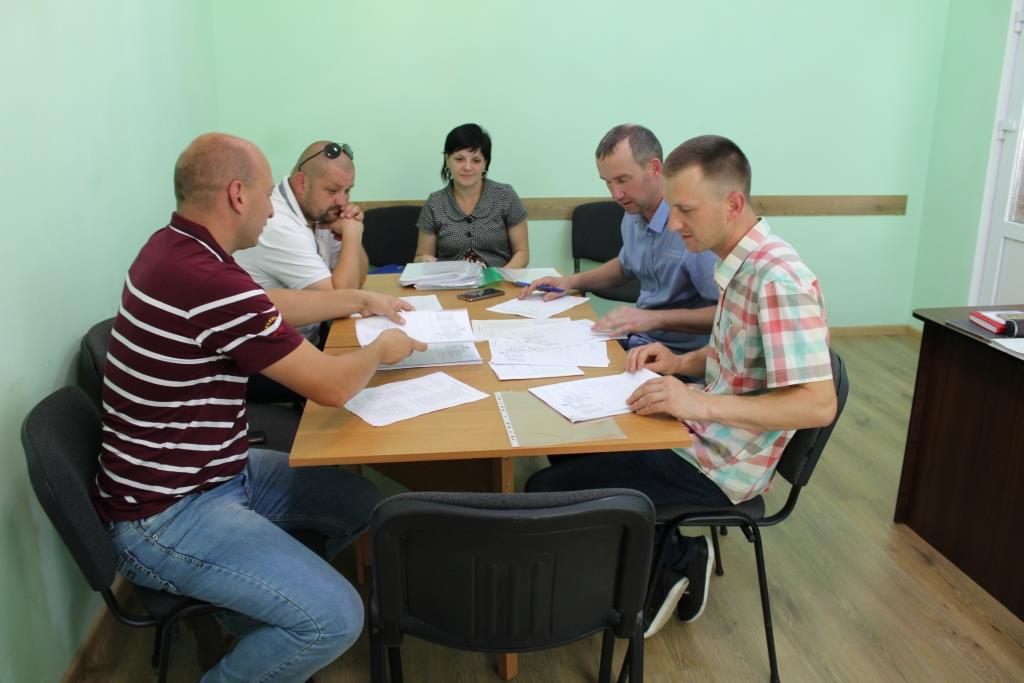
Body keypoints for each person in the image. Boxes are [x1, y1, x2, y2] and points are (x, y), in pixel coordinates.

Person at [92, 133, 427, 683]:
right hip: (166, 514)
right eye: (268, 195)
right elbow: (331, 387)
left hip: (218, 470)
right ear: (237, 195)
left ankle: (249, 606)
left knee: (364, 506)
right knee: (335, 621)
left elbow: (265, 303)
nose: (273, 209)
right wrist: (381, 350)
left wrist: (359, 298)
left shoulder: (175, 248)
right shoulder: (207, 278)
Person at [526, 135, 837, 638]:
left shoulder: (778, 279)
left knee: (545, 491)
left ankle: (675, 557)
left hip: (723, 462)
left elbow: (818, 404)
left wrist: (695, 401)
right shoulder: (738, 263)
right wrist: (678, 361)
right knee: (568, 446)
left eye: (686, 210)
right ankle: (653, 556)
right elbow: (735, 354)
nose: (673, 224)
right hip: (700, 430)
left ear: (732, 203)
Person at [519, 124, 719, 354]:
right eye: (607, 182)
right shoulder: (632, 214)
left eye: (623, 179)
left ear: (655, 168)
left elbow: (725, 313)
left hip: (679, 356)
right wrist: (570, 282)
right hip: (639, 342)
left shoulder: (692, 225)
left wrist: (653, 319)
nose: (615, 195)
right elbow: (626, 266)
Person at [234, 139, 369, 344]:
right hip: (268, 355)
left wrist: (352, 235)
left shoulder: (319, 212)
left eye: (347, 190)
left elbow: (356, 282)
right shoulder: (278, 225)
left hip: (304, 343)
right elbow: (343, 302)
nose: (342, 201)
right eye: (333, 190)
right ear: (301, 182)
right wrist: (353, 233)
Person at [414, 123, 529, 267]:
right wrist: (424, 260)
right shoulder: (435, 202)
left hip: (499, 278)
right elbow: (420, 256)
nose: (467, 167)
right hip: (450, 280)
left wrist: (501, 276)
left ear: (485, 163)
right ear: (447, 160)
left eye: (476, 160)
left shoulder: (505, 195)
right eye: (459, 159)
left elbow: (522, 253)